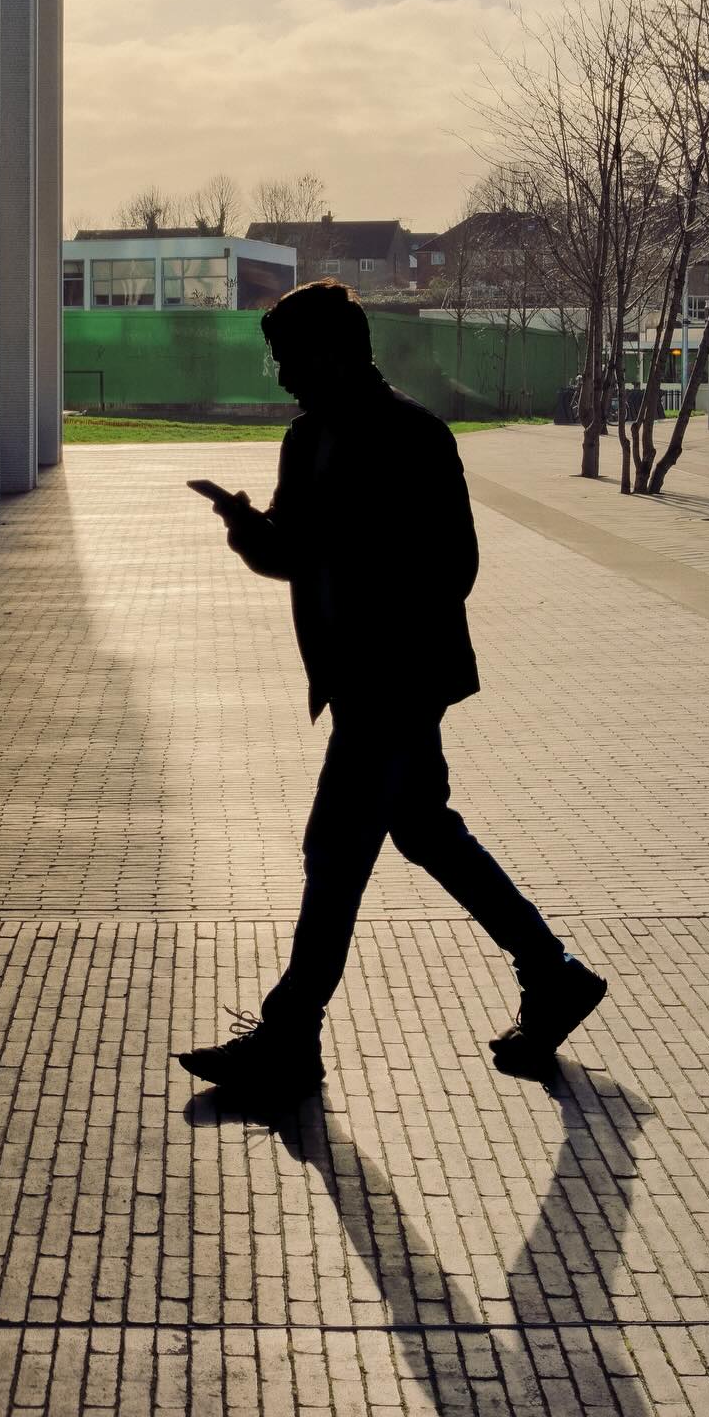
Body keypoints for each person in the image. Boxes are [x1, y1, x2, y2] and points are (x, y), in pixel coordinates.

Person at [176, 279, 606, 1102]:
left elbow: (457, 569)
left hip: (399, 681)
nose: (282, 378)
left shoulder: (415, 437)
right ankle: (553, 974)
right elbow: (292, 556)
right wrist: (245, 529)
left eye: (291, 360)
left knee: (333, 854)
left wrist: (366, 576)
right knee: (423, 832)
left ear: (335, 353)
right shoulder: (305, 443)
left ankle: (291, 1038)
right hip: (357, 684)